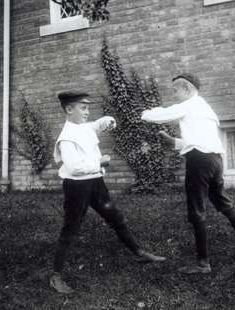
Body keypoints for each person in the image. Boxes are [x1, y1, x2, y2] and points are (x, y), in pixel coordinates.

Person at [141, 73, 235, 274]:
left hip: (199, 162)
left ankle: (203, 264)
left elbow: (157, 115)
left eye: (176, 90)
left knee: (196, 211)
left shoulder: (189, 104)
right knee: (223, 204)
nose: (175, 95)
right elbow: (199, 140)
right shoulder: (205, 107)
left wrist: (143, 113)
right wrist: (174, 142)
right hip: (215, 160)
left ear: (187, 88)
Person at [50, 91, 166, 294]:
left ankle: (138, 253)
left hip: (96, 182)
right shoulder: (66, 137)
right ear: (69, 110)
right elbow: (74, 167)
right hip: (77, 187)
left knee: (116, 218)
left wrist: (106, 121)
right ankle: (56, 276)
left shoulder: (82, 127)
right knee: (71, 229)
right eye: (83, 108)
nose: (88, 112)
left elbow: (93, 126)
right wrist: (99, 161)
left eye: (88, 107)